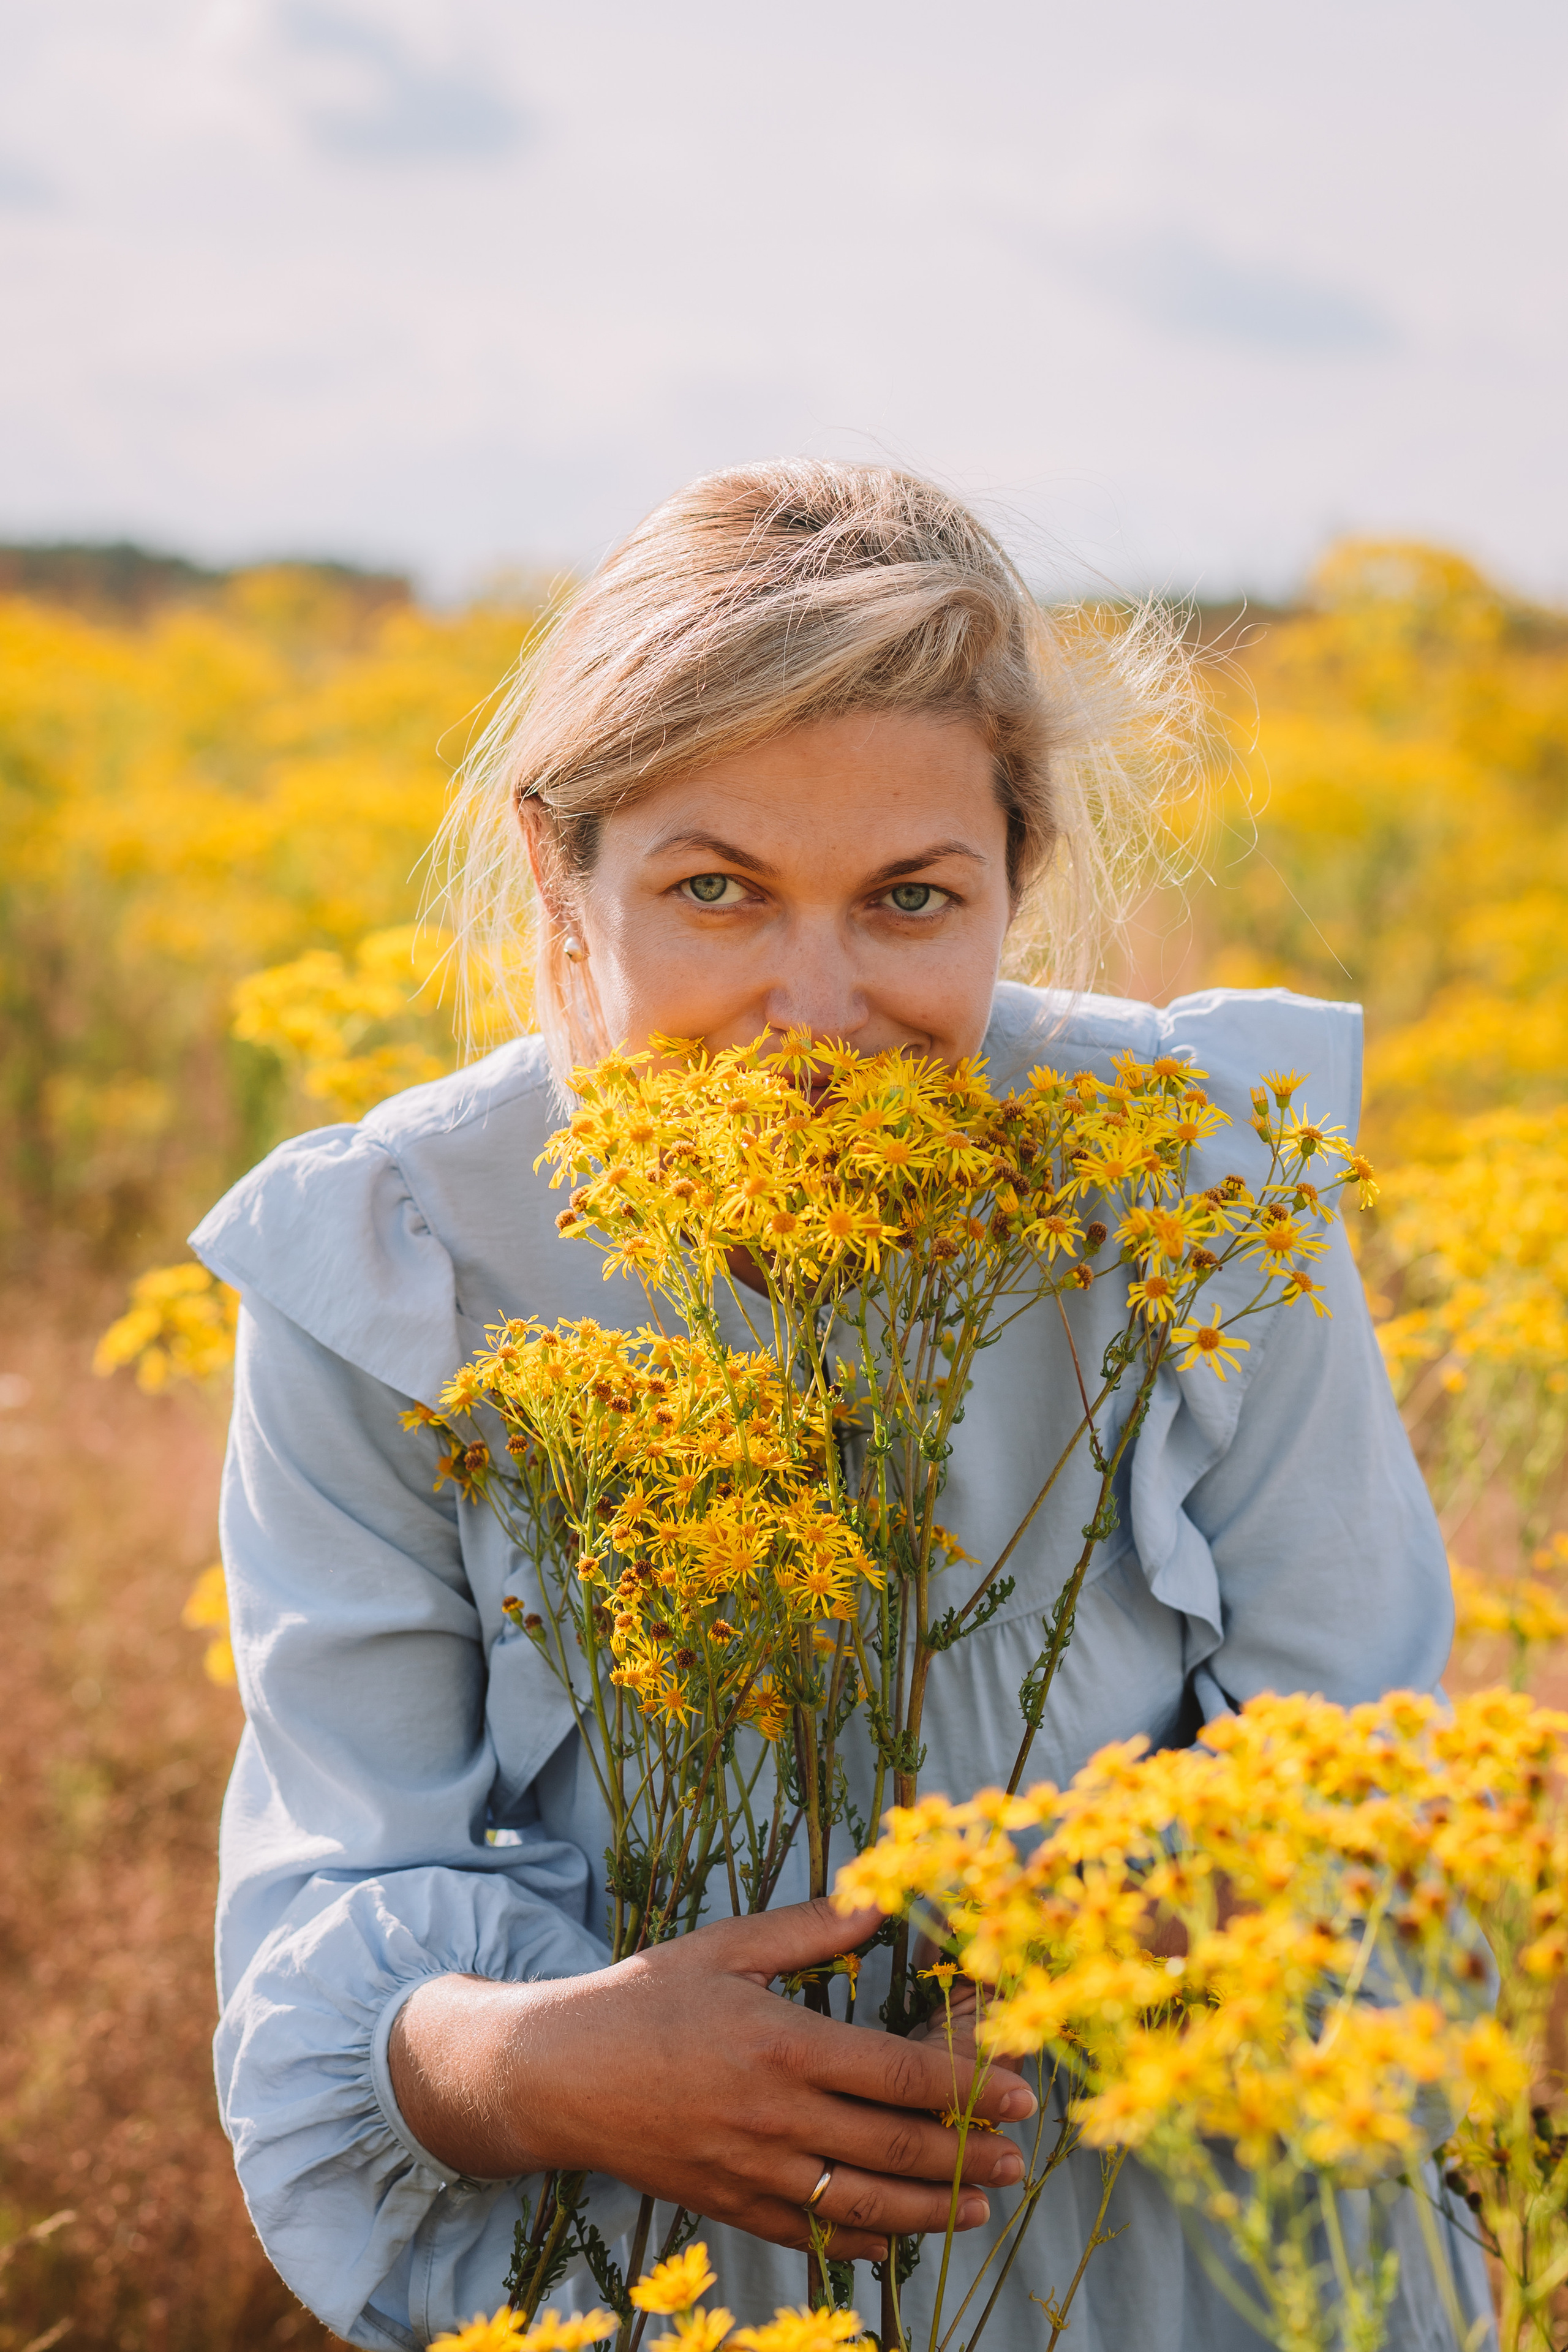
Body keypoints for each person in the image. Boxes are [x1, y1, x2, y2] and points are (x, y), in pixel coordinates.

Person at [192, 462, 1491, 2352]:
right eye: (714, 892)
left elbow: (1357, 1764)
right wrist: (545, 2068)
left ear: (1016, 881)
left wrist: (1094, 1961)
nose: (814, 1010)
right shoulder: (392, 1258)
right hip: (668, 2274)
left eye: (909, 900)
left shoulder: (1191, 1181)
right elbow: (339, 1905)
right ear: (562, 875)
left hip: (1169, 2250)